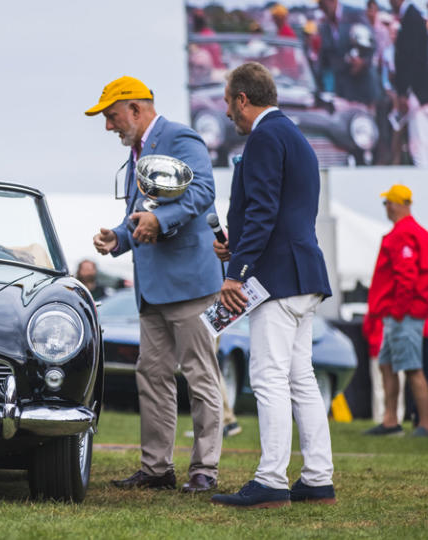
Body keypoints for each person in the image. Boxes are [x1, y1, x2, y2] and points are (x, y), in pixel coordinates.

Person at [87, 76, 224, 494]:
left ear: (135, 108)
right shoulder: (138, 150)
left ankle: (205, 469)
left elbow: (203, 190)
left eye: (111, 117)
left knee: (200, 376)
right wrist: (117, 238)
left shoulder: (179, 137)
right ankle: (157, 469)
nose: (109, 126)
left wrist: (159, 220)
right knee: (153, 375)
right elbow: (139, 215)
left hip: (189, 283)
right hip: (153, 288)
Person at [211, 62, 336, 508]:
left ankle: (271, 481)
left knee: (268, 377)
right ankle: (318, 477)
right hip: (305, 273)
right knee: (300, 377)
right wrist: (237, 245)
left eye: (228, 102)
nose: (227, 112)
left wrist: (235, 272)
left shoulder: (264, 137)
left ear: (243, 99)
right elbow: (283, 212)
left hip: (277, 279)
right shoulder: (296, 136)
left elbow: (263, 210)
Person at [364, 184, 428, 437]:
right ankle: (391, 421)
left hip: (404, 314)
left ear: (399, 204)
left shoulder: (404, 234)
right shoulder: (411, 232)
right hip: (398, 314)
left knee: (412, 369)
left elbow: (406, 276)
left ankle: (424, 424)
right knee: (386, 364)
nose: (386, 208)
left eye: (388, 202)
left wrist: (399, 311)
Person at [389, 0, 428, 166]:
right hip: (420, 90)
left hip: (418, 92)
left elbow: (410, 59)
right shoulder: (412, 17)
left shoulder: (412, 18)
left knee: (419, 141)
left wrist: (405, 91)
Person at [318, 0, 378, 104]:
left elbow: (372, 43)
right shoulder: (324, 27)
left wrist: (362, 62)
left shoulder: (355, 14)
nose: (321, 7)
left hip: (363, 89)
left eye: (322, 3)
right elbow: (325, 60)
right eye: (319, 4)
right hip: (342, 93)